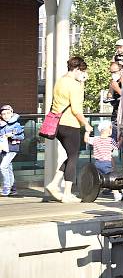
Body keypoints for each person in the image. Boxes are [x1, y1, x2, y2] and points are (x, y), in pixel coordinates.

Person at [45, 56, 92, 203]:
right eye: (82, 71)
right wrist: (86, 124)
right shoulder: (74, 85)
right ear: (77, 69)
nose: (83, 74)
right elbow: (77, 109)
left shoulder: (61, 81)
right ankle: (67, 193)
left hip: (57, 124)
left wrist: (81, 82)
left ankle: (54, 184)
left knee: (71, 155)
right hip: (70, 124)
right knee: (73, 157)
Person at [84, 121, 122, 201]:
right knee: (111, 179)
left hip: (97, 163)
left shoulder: (95, 139)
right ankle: (116, 194)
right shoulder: (110, 140)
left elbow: (86, 139)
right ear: (109, 130)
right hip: (107, 163)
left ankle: (91, 193)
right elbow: (117, 147)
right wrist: (121, 140)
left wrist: (87, 132)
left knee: (97, 180)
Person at [107, 61, 123, 167]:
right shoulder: (114, 81)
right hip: (116, 117)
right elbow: (109, 96)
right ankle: (112, 174)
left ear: (121, 70)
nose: (113, 74)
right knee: (107, 149)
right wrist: (112, 88)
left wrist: (117, 87)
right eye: (111, 72)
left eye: (115, 72)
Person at [0, 105, 24, 196]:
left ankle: (6, 188)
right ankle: (13, 189)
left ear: (12, 113)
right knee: (9, 168)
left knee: (3, 167)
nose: (5, 115)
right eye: (3, 114)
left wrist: (12, 135)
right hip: (3, 148)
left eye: (7, 113)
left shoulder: (16, 124)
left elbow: (22, 136)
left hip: (12, 148)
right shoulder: (1, 125)